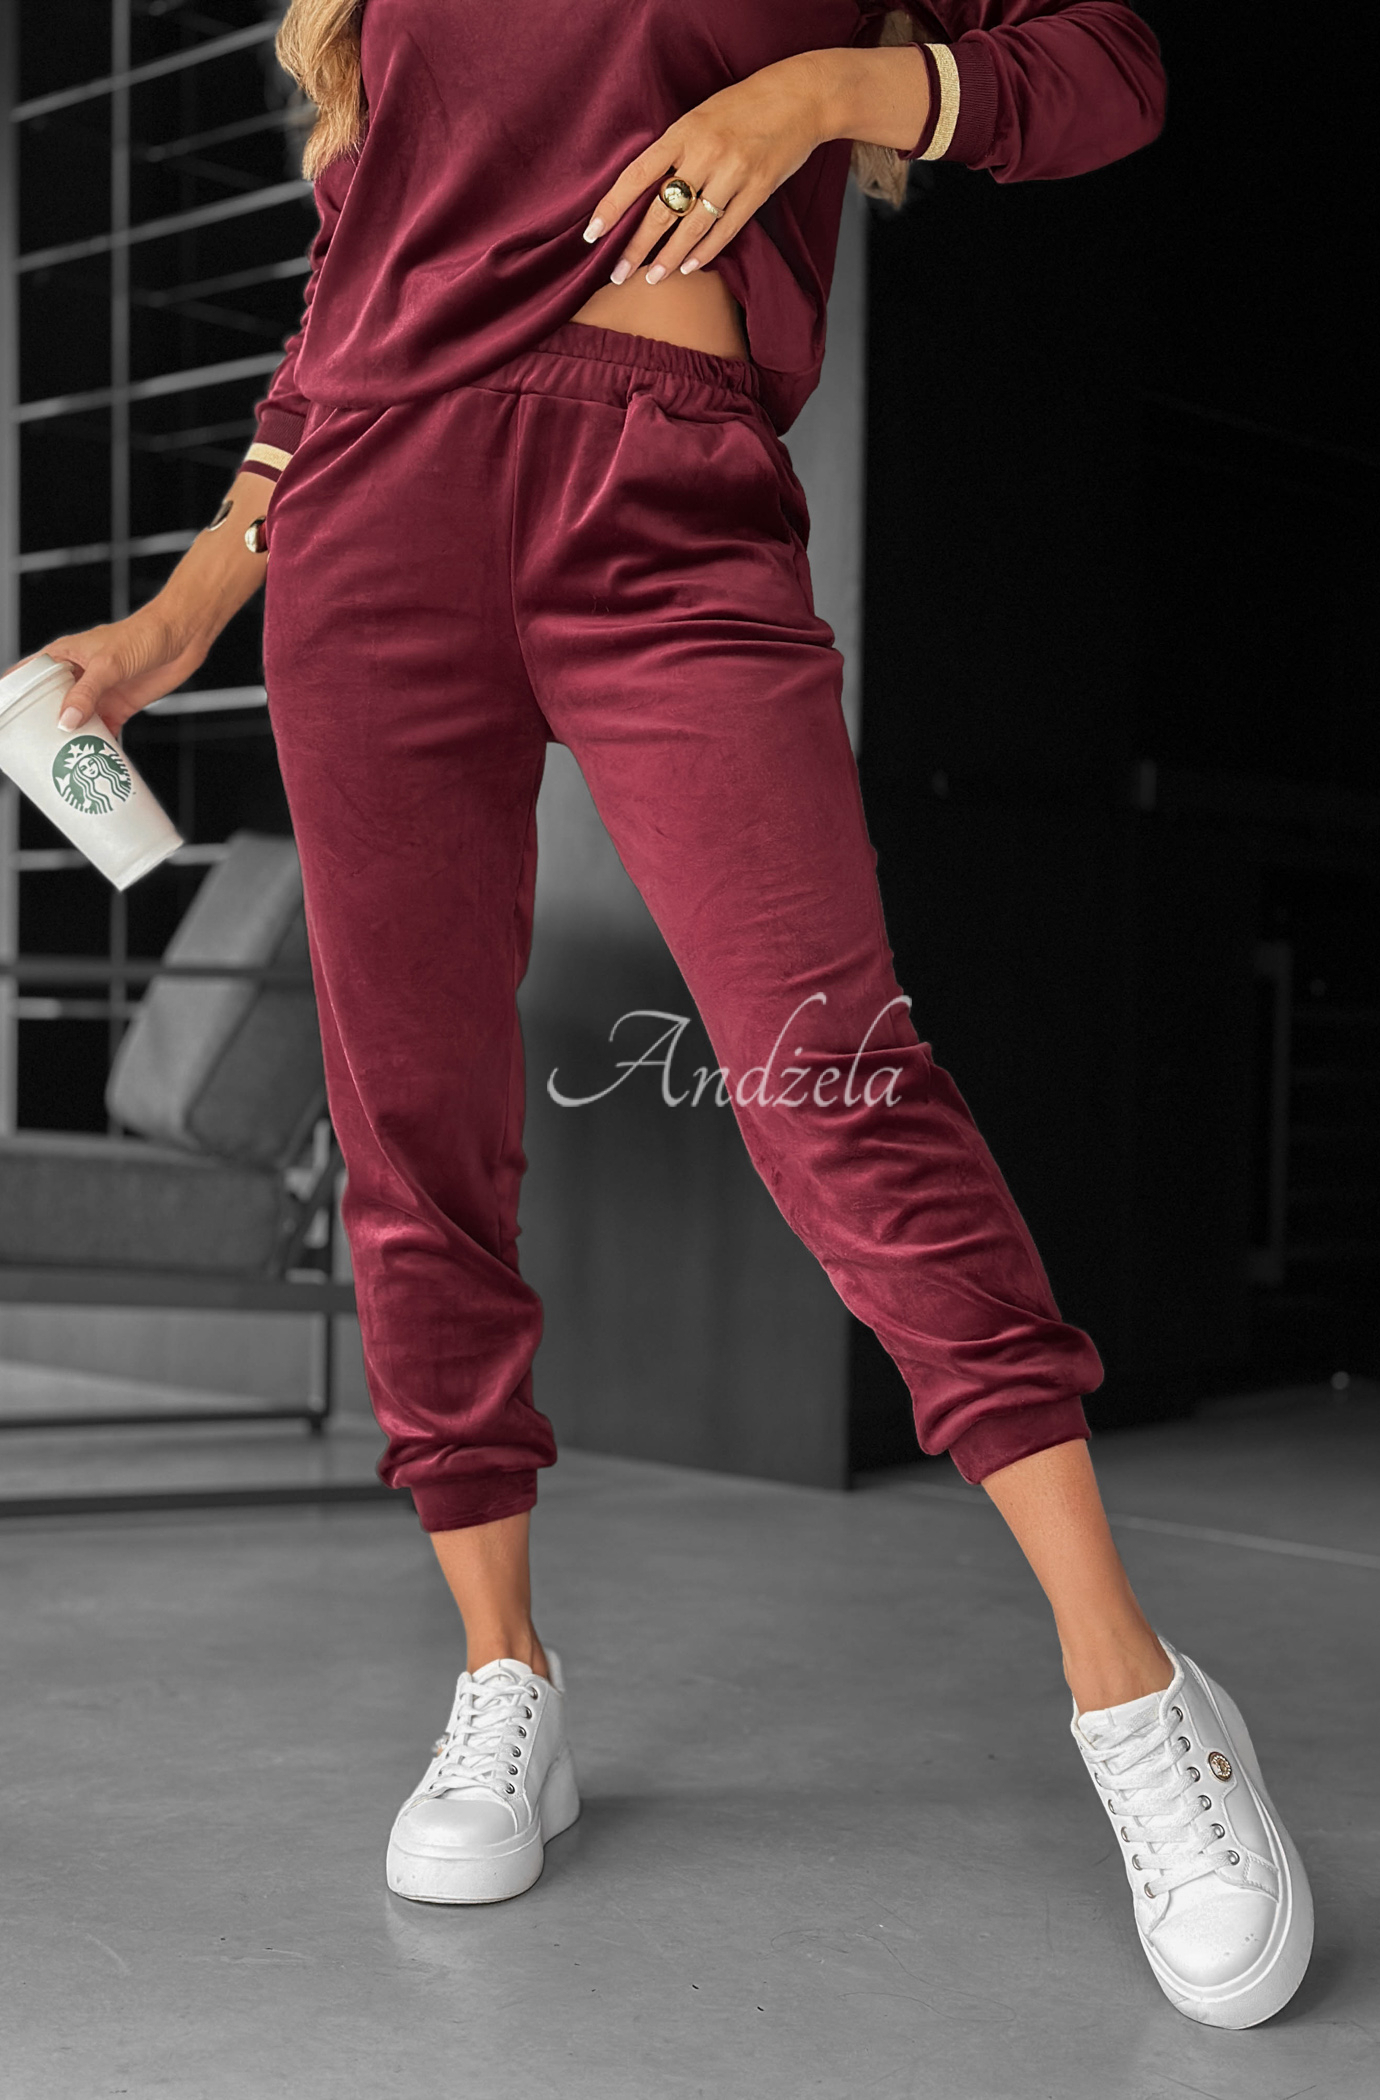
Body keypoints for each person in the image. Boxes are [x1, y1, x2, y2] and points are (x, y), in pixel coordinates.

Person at [18, 0, 1312, 2030]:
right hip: (373, 528)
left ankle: (1135, 1690)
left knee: (832, 1085)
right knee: (412, 1127)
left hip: (667, 496)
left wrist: (819, 92)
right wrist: (178, 612)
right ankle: (502, 1677)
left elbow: (1112, 71)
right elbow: (347, 301)